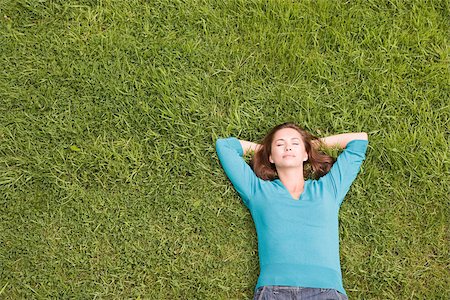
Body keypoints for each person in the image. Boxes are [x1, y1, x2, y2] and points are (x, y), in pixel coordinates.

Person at [215, 122, 369, 300]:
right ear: (271, 157)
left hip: (327, 290)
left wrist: (310, 145)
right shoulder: (258, 191)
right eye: (280, 144)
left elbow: (359, 140)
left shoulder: (329, 188)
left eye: (295, 143)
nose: (288, 147)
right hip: (274, 291)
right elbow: (224, 146)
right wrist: (266, 149)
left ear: (305, 154)